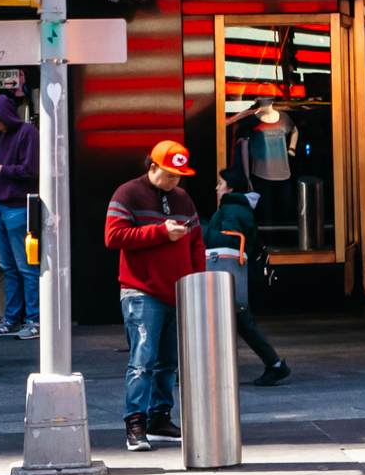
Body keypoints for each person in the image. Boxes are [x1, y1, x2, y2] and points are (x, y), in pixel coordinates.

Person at [105, 138, 205, 454]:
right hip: (141, 291)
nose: (175, 181)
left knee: (168, 362)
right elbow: (113, 236)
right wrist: (162, 232)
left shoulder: (183, 199)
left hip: (177, 290)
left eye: (179, 176)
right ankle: (136, 422)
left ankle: (160, 418)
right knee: (142, 361)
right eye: (170, 175)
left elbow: (196, 242)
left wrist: (196, 282)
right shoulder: (127, 193)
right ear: (152, 167)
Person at [203, 171, 295, 385]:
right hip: (233, 275)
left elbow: (232, 241)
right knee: (243, 322)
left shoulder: (232, 209)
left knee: (213, 321)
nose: (217, 187)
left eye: (221, 183)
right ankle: (275, 365)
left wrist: (200, 230)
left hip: (226, 274)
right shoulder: (237, 207)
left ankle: (194, 371)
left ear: (231, 187)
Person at [0, 92, 40, 340]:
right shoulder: (11, 134)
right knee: (9, 266)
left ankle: (33, 319)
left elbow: (31, 170)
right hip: (4, 205)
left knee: (24, 266)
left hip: (16, 206)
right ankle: (15, 319)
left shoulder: (27, 133)